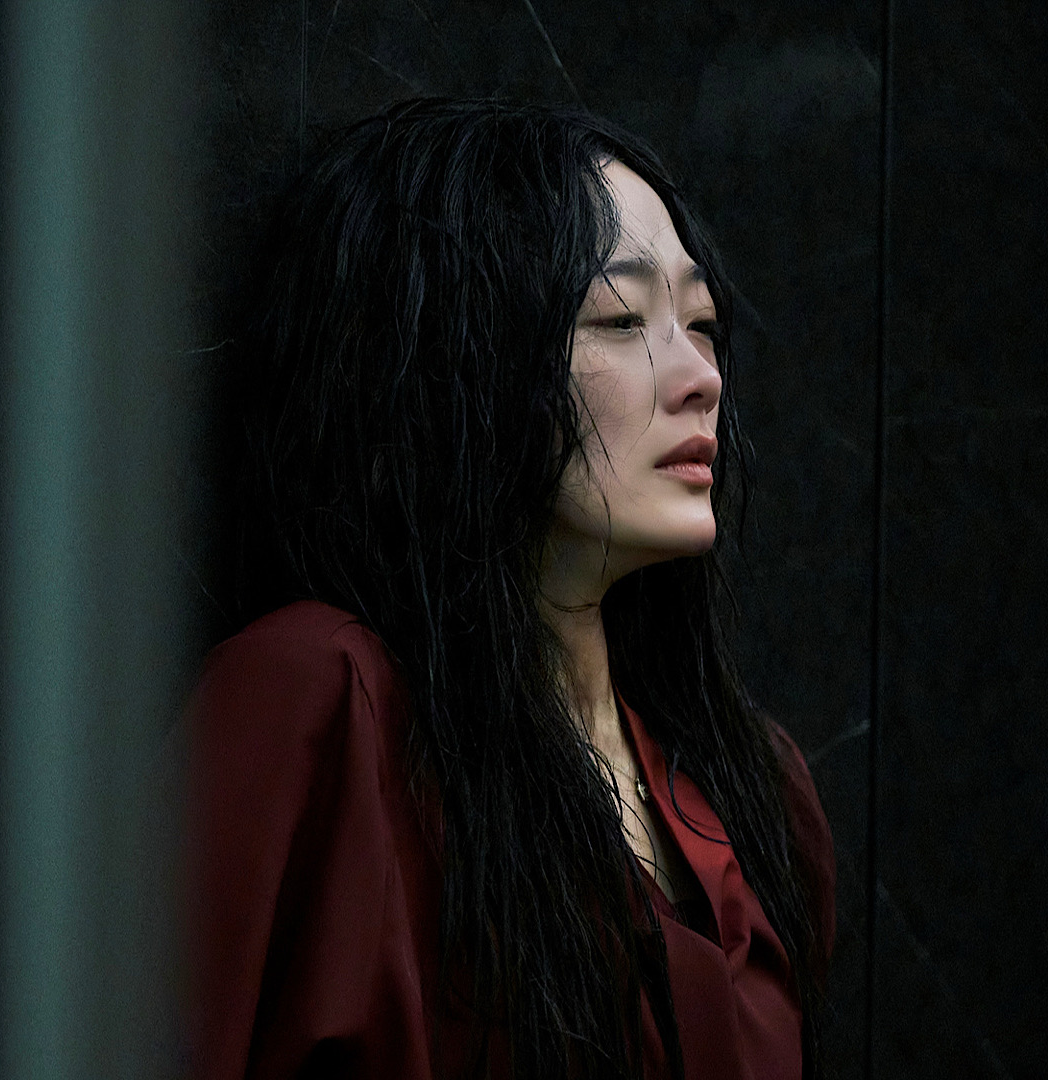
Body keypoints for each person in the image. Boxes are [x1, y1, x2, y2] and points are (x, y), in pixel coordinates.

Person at [189, 99, 837, 1080]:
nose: (700, 375)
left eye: (702, 323)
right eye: (620, 320)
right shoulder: (320, 705)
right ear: (456, 361)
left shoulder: (757, 790)